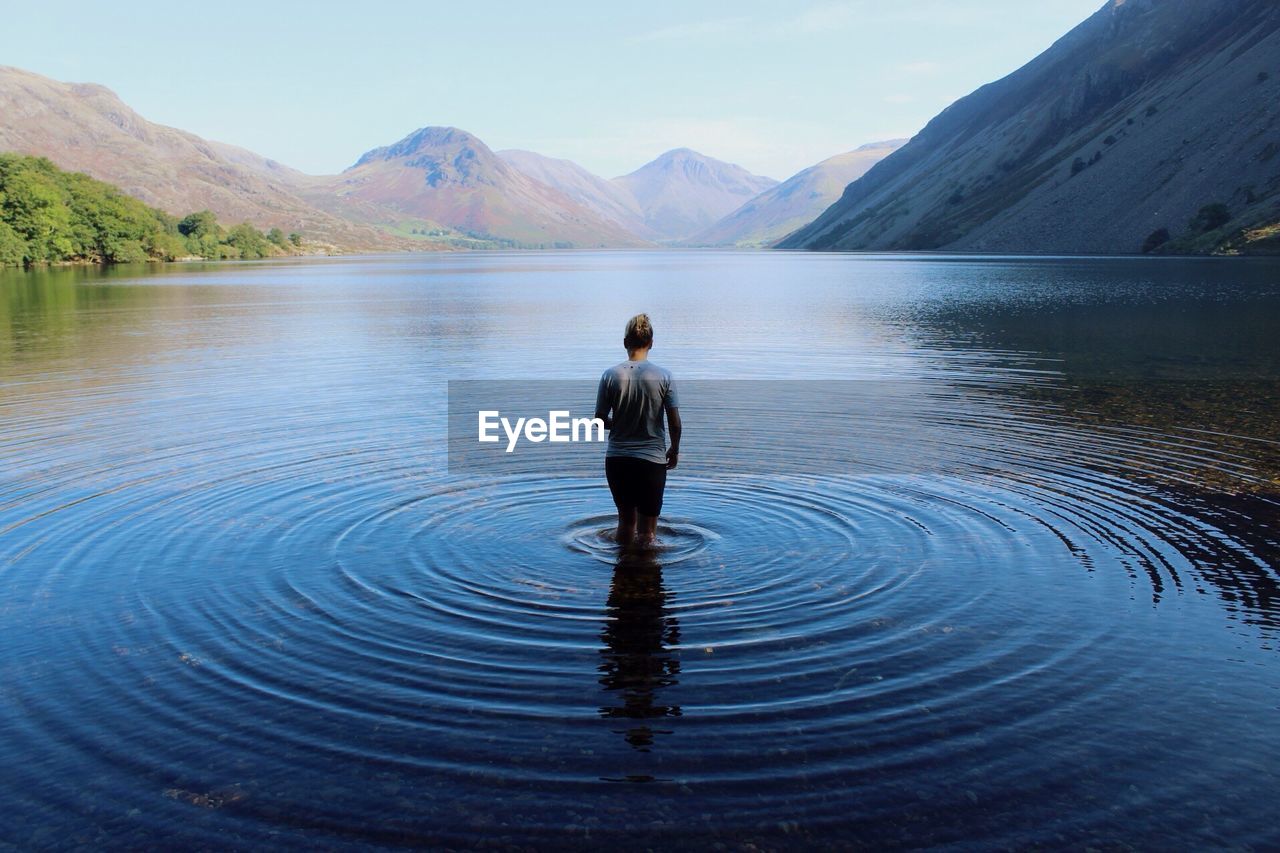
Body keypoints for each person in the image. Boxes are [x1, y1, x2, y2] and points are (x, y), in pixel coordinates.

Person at [594, 313, 681, 551]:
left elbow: (599, 421)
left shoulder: (610, 375)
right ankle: (645, 580)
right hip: (650, 462)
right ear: (651, 343)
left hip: (618, 459)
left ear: (625, 343)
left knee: (625, 524)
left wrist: (621, 423)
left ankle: (622, 573)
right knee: (647, 534)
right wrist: (674, 449)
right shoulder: (664, 376)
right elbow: (675, 422)